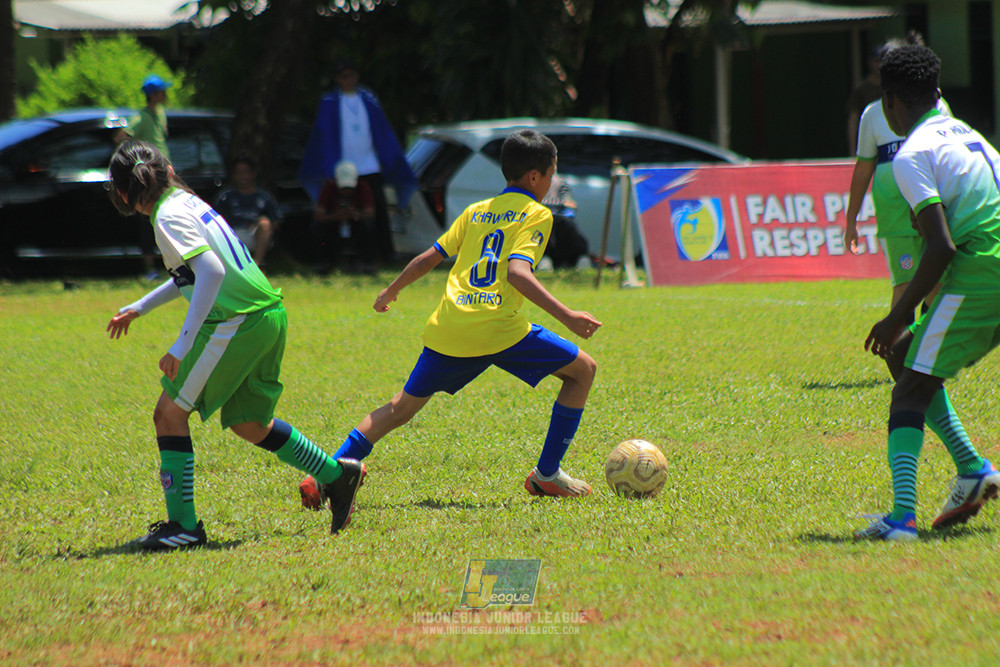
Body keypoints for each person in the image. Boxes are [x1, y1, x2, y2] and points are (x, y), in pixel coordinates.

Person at [298, 130, 602, 510]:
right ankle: (547, 475)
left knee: (398, 409)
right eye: (552, 173)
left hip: (451, 327)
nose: (553, 182)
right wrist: (568, 315)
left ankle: (325, 473)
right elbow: (518, 274)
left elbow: (429, 257)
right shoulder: (536, 214)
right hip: (499, 329)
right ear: (535, 177)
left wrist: (391, 290)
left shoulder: (477, 211)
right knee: (583, 371)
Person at [105, 140, 364, 551]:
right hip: (267, 314)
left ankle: (183, 527)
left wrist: (181, 345)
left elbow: (210, 270)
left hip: (236, 322)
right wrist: (140, 307)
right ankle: (335, 474)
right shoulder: (187, 203)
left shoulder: (167, 216)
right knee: (249, 423)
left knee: (169, 415)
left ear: (122, 194)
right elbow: (192, 274)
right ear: (168, 169)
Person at [856, 45, 1000, 541]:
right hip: (986, 266)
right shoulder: (968, 134)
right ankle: (973, 468)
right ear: (938, 92)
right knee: (904, 356)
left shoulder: (912, 154)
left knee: (909, 387)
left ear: (889, 101)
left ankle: (901, 520)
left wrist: (896, 313)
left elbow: (939, 246)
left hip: (986, 272)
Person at [844, 34, 949, 317]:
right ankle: (899, 351)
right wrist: (851, 219)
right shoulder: (872, 115)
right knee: (904, 284)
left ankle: (927, 348)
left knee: (937, 283)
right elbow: (864, 166)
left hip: (931, 207)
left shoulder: (937, 107)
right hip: (895, 214)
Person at [299, 59, 417, 265]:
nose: (349, 79)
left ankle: (384, 254)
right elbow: (323, 136)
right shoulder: (329, 102)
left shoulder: (369, 98)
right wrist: (329, 166)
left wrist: (385, 159)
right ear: (337, 79)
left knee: (377, 210)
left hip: (369, 165)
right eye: (343, 76)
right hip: (343, 169)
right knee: (338, 213)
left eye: (351, 74)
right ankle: (336, 258)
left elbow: (382, 131)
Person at [119, 74, 173, 280]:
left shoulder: (160, 113)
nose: (166, 95)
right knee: (148, 219)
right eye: (163, 91)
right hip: (150, 175)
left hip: (164, 173)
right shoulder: (140, 117)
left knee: (166, 217)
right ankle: (150, 268)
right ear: (155, 94)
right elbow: (122, 137)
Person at [214, 157, 282, 268]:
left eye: (246, 172)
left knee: (265, 223)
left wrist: (260, 223)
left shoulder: (264, 196)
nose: (242, 176)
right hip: (233, 233)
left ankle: (257, 264)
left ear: (253, 173)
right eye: (238, 172)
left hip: (254, 233)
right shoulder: (225, 196)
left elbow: (276, 221)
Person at [312, 160, 376, 274]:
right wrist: (335, 216)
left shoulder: (363, 187)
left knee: (368, 226)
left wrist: (355, 214)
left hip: (356, 222)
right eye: (343, 188)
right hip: (333, 223)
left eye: (349, 188)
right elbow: (319, 214)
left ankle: (367, 262)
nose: (346, 192)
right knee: (318, 227)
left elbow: (370, 212)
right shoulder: (329, 188)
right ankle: (322, 261)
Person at [541, 171, 590, 269]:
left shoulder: (559, 181)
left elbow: (569, 201)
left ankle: (580, 260)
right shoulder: (558, 181)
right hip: (546, 217)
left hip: (555, 218)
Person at [846, 44, 884, 156]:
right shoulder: (862, 89)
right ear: (870, 62)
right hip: (869, 137)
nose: (879, 65)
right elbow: (853, 120)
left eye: (881, 61)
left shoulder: (892, 87)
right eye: (876, 61)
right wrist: (853, 152)